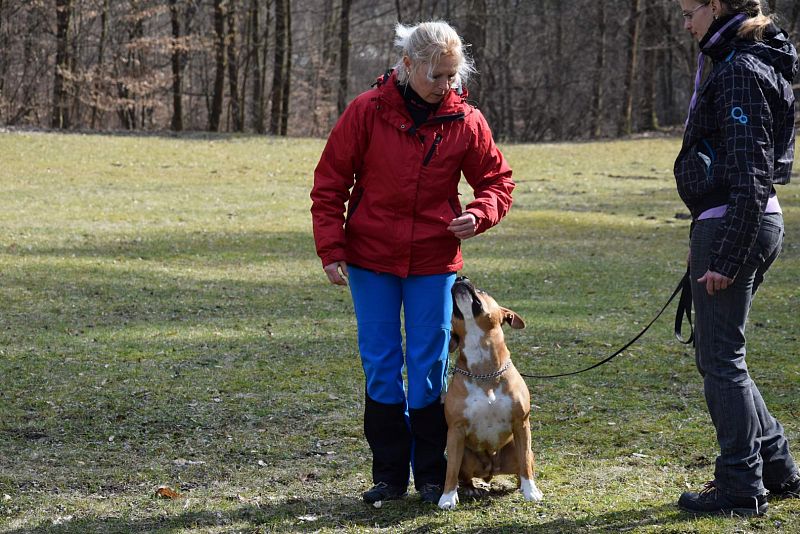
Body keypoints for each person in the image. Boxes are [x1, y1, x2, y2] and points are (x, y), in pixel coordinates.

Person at [310, 21, 514, 505]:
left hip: (433, 260)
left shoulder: (466, 120)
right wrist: (332, 249)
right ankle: (388, 475)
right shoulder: (365, 111)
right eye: (438, 76)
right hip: (369, 258)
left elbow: (497, 181)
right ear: (408, 66)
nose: (448, 85)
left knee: (427, 366)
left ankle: (430, 473)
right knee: (381, 364)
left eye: (453, 75)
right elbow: (329, 184)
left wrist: (479, 214)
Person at [674, 0, 799, 516]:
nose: (686, 23)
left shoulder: (741, 70)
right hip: (740, 220)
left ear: (717, 6)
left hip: (735, 223)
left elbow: (750, 174)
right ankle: (777, 467)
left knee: (721, 360)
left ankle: (740, 487)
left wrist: (725, 257)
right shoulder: (742, 59)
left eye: (689, 11)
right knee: (721, 355)